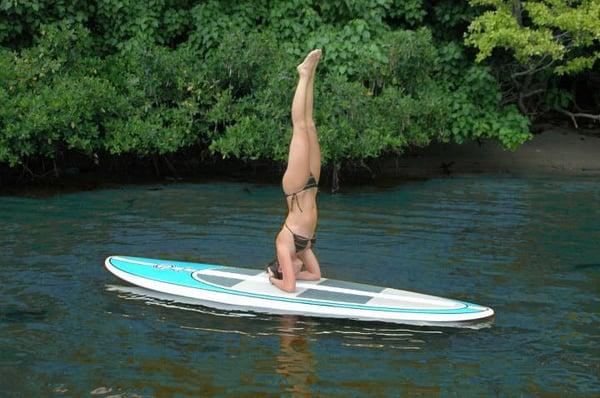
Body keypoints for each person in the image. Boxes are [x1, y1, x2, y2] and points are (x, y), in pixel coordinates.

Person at [266, 49, 323, 292]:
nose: (299, 270)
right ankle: (311, 75)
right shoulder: (302, 248)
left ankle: (303, 75)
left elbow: (288, 287)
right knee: (310, 125)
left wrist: (272, 279)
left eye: (291, 270)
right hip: (311, 186)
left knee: (299, 127)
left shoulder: (284, 245)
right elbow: (316, 275)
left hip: (297, 189)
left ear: (283, 265)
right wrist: (298, 276)